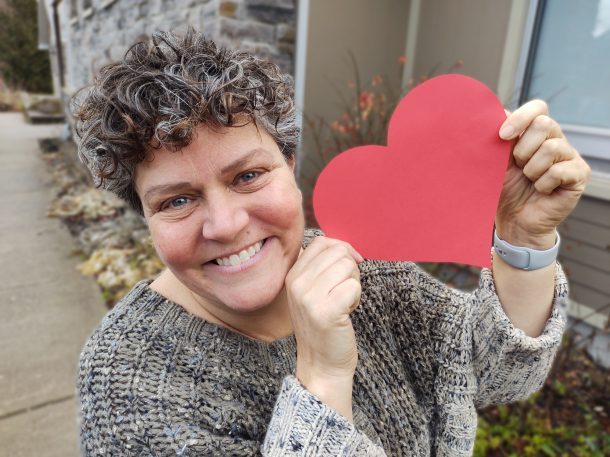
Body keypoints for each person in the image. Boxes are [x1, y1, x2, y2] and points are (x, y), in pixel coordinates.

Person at [73, 29, 590, 456]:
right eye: (177, 201)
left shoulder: (372, 275)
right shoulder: (128, 380)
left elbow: (499, 374)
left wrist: (525, 237)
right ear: (143, 214)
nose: (226, 225)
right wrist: (321, 373)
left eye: (248, 175)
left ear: (289, 166)